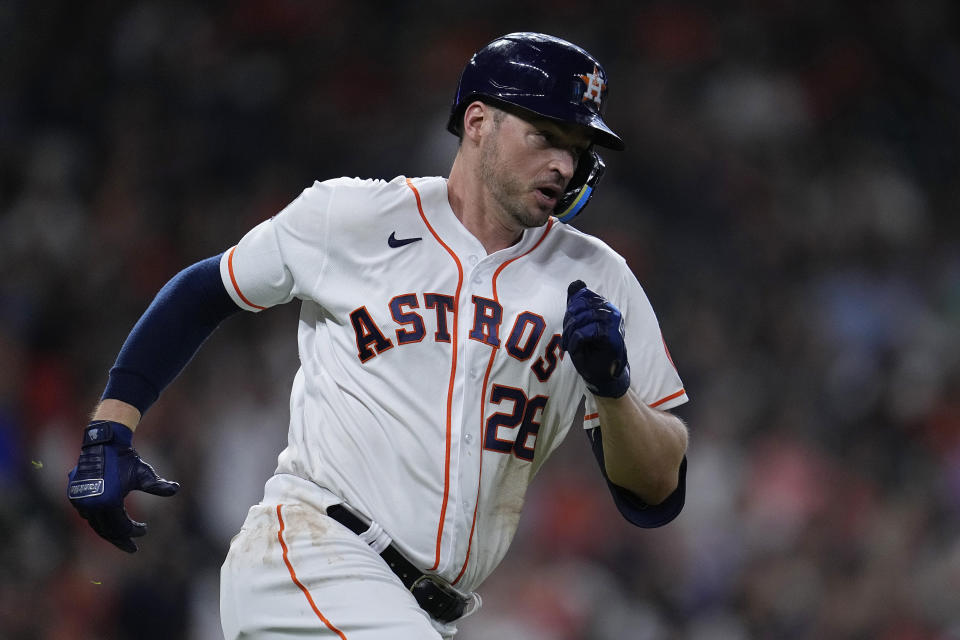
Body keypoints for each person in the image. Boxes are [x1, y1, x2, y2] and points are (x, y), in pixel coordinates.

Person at [67, 32, 690, 639]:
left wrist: (613, 390)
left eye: (578, 146)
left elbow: (658, 492)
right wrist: (110, 427)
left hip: (428, 613)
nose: (563, 161)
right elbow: (206, 289)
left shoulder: (597, 278)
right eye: (547, 135)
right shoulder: (354, 217)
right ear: (478, 123)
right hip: (311, 558)